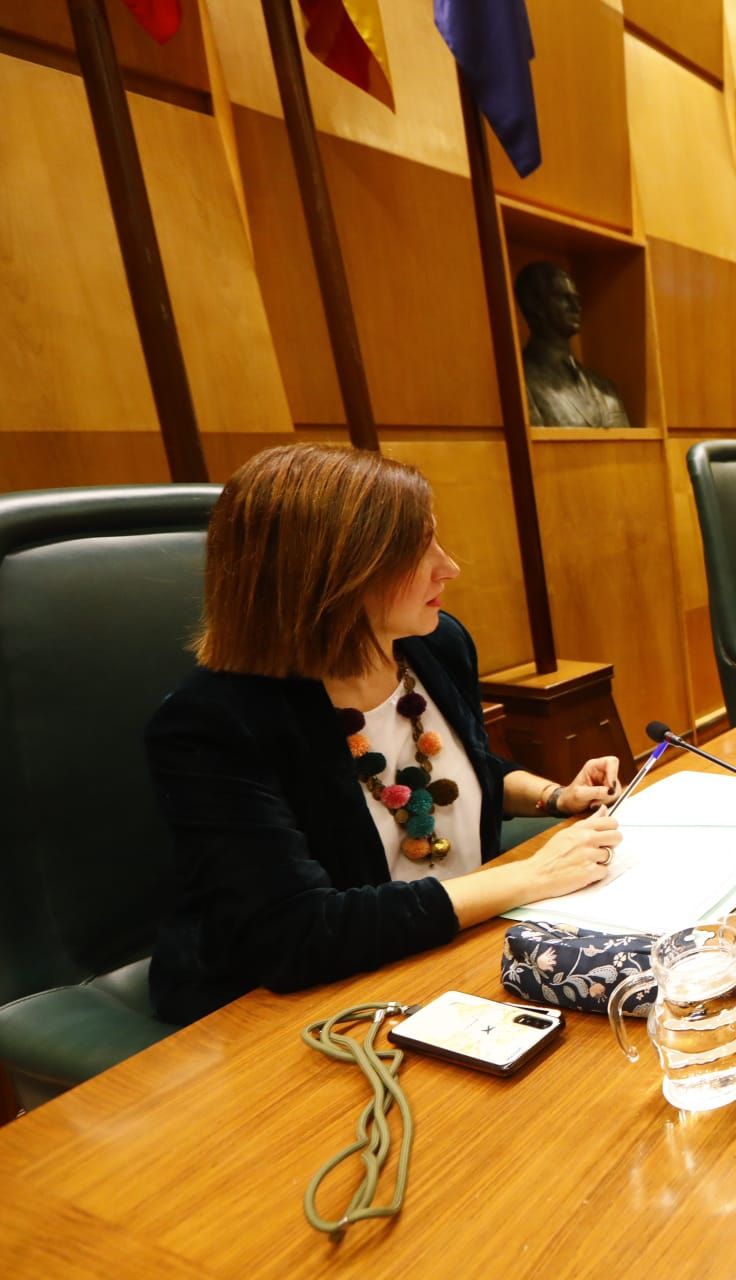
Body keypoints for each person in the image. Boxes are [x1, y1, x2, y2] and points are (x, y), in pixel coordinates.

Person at [147, 444, 625, 1024]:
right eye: (416, 551)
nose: (448, 567)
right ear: (331, 572)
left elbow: (456, 768)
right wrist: (530, 876)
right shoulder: (211, 724)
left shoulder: (434, 644)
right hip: (299, 1008)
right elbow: (295, 935)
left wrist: (553, 796)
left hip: (453, 948)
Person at [513, 262, 632, 428]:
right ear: (534, 305)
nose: (576, 308)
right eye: (564, 298)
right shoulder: (520, 382)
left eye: (576, 299)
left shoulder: (605, 388)